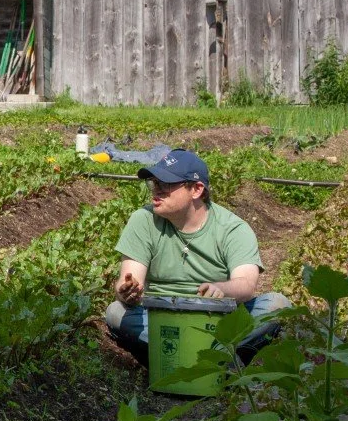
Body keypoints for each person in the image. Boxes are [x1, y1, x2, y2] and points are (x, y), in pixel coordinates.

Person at [104, 148, 290, 363]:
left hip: (218, 320)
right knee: (117, 312)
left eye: (165, 184)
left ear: (197, 189)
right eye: (154, 184)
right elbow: (129, 279)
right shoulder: (143, 220)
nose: (156, 191)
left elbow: (246, 284)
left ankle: (179, 352)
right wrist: (128, 291)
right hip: (160, 317)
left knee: (276, 304)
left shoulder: (232, 229)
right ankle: (216, 354)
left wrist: (221, 289)